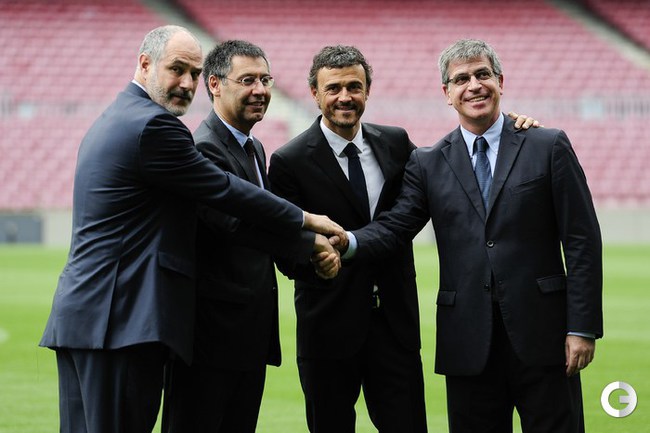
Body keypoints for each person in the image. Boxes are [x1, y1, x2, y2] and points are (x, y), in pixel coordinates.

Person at [39, 26, 342, 433]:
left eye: (193, 73)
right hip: (120, 320)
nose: (186, 83)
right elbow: (224, 192)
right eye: (177, 69)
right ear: (145, 63)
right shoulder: (155, 126)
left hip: (90, 316)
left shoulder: (115, 117)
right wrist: (305, 220)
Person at [268, 45, 537, 433]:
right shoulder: (289, 160)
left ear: (367, 90)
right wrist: (317, 258)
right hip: (328, 330)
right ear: (314, 93)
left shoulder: (395, 143)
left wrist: (510, 131)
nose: (345, 97)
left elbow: (446, 170)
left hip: (396, 329)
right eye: (334, 88)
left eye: (354, 87)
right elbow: (286, 246)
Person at [348, 39, 603, 433]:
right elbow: (395, 227)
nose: (474, 85)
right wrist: (346, 243)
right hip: (466, 342)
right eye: (461, 79)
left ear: (500, 81)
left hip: (545, 338)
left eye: (483, 74)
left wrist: (581, 327)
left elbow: (582, 240)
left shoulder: (547, 145)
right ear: (446, 93)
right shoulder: (428, 162)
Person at [163, 39, 327, 433]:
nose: (260, 90)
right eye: (248, 80)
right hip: (209, 339)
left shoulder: (253, 147)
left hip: (245, 336)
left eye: (266, 80)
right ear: (215, 84)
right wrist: (310, 244)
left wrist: (309, 258)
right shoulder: (203, 149)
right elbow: (236, 224)